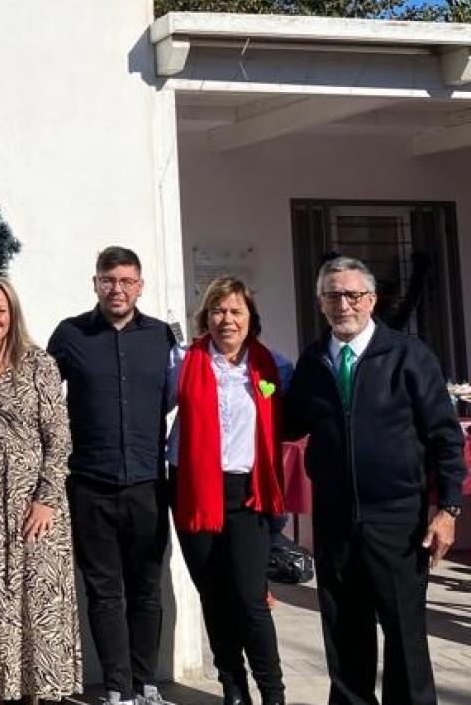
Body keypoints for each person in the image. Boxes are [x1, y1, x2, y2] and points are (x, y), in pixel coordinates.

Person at [285, 257, 466, 705]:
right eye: (332, 295)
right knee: (345, 635)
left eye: (353, 295)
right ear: (321, 303)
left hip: (397, 521)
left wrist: (447, 508)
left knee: (405, 635)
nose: (343, 304)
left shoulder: (409, 356)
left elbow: (444, 438)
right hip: (336, 521)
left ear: (372, 299)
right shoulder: (312, 361)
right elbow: (286, 424)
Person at [47, 246, 175, 705]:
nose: (117, 289)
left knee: (147, 589)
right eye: (108, 280)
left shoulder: (163, 338)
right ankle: (118, 687)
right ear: (95, 283)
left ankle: (147, 684)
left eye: (126, 281)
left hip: (147, 484)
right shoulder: (70, 334)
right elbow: (40, 400)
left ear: (140, 286)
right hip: (89, 484)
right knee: (103, 593)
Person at [0, 276, 81, 702]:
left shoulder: (38, 364)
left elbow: (60, 438)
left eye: (0, 310)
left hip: (33, 495)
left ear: (13, 315)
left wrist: (46, 498)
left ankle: (34, 692)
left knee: (34, 597)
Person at [167, 276, 289, 705]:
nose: (227, 320)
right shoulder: (182, 361)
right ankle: (233, 688)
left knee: (251, 598)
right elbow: (155, 405)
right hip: (193, 490)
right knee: (214, 597)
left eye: (236, 311)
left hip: (246, 494)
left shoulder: (271, 367)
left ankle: (273, 693)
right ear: (206, 317)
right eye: (218, 311)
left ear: (250, 317)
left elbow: (291, 421)